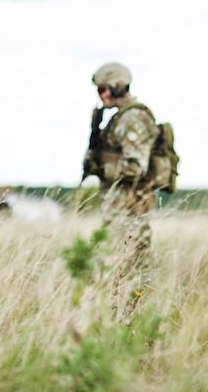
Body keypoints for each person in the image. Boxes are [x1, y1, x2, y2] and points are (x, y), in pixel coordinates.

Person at [84, 62, 159, 323]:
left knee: (131, 275)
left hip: (129, 212)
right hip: (119, 211)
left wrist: (102, 167)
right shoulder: (118, 118)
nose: (100, 95)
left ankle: (133, 325)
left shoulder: (132, 118)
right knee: (116, 274)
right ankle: (120, 323)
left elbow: (136, 167)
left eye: (104, 89)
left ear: (117, 86)